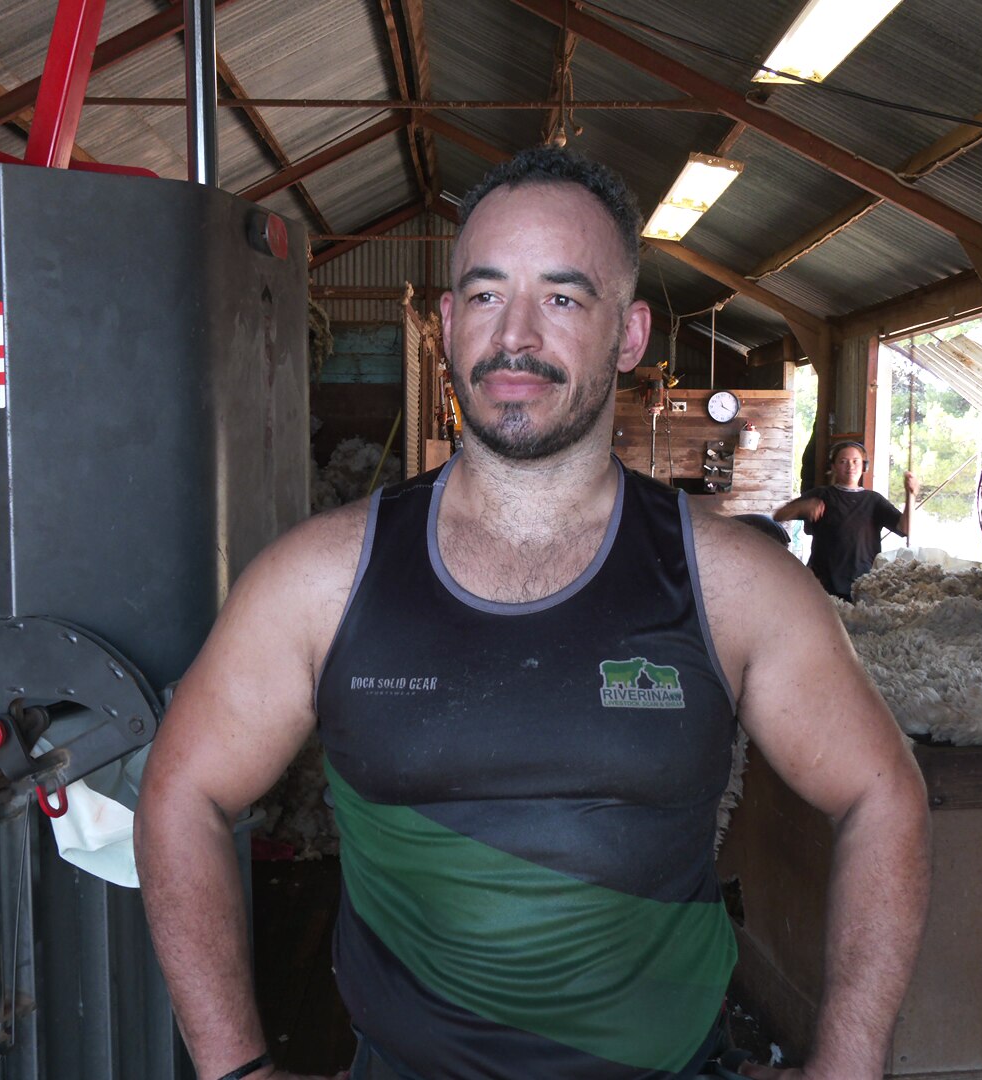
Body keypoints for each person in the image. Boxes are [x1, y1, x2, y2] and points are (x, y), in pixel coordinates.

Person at [137, 146, 930, 1080]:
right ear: (445, 324)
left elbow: (884, 792)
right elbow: (182, 792)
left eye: (561, 297)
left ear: (629, 335)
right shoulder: (320, 579)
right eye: (483, 295)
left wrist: (850, 1055)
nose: (514, 337)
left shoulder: (731, 585)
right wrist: (234, 1071)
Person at [771, 443, 918, 601]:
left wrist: (911, 496)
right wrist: (803, 506)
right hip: (822, 584)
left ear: (864, 467)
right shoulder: (821, 494)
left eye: (856, 461)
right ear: (833, 467)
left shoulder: (874, 500)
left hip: (863, 584)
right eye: (843, 461)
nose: (850, 466)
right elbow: (779, 515)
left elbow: (905, 529)